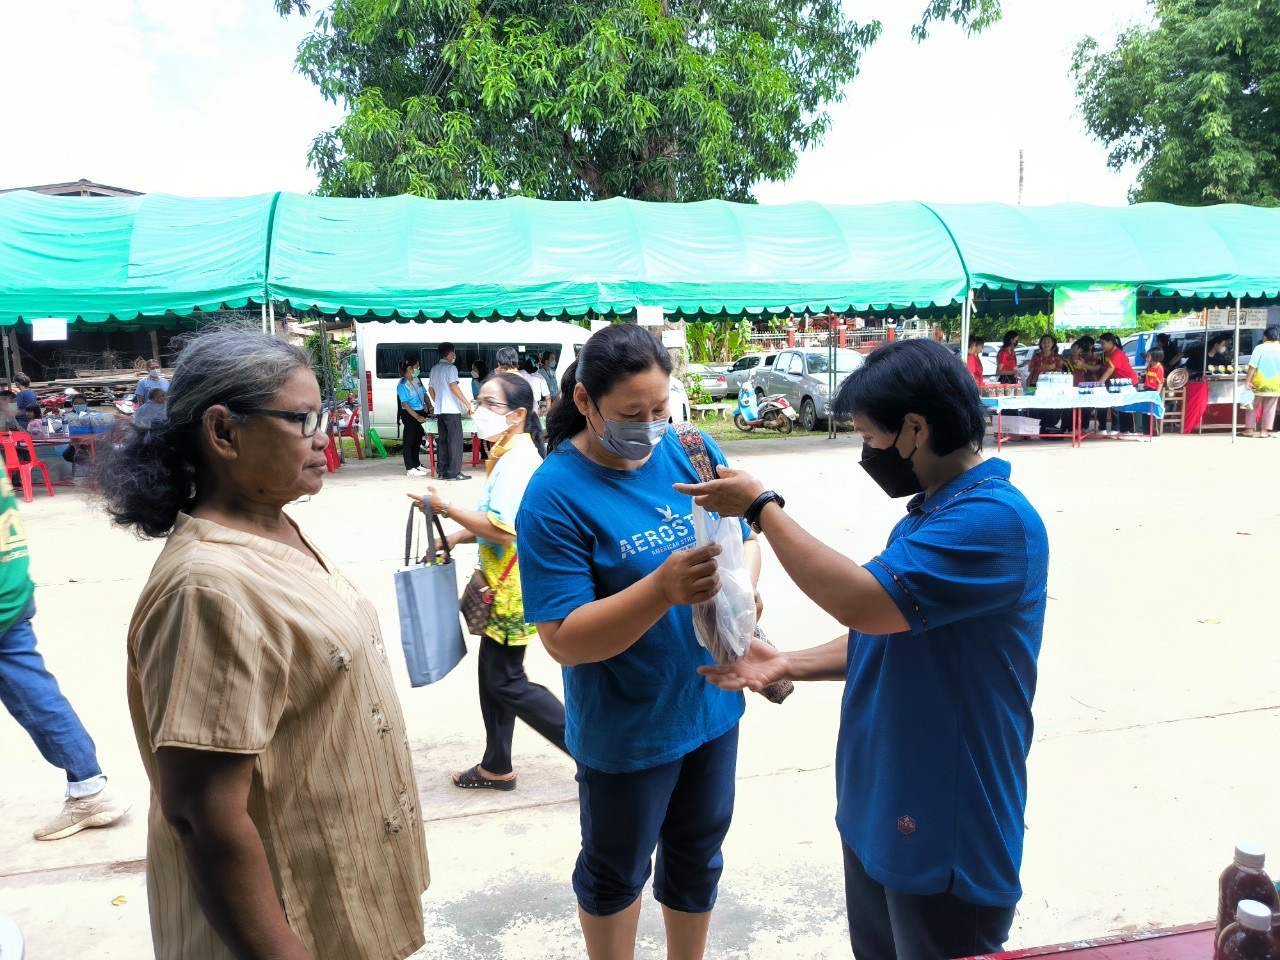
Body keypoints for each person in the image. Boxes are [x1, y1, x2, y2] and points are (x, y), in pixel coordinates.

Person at [676, 338, 1047, 960]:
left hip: (945, 822)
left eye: (872, 439)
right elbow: (890, 628)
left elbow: (861, 601)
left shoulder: (994, 522)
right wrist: (788, 662)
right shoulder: (932, 512)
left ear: (916, 429)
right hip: (883, 804)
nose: (868, 454)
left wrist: (762, 509)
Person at [95, 327, 429, 960]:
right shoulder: (207, 587)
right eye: (304, 420)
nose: (324, 437)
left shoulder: (272, 526)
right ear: (223, 432)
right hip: (281, 926)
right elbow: (204, 816)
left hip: (335, 891)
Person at [517, 323, 761, 960]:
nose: (650, 427)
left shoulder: (691, 447)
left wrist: (743, 593)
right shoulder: (554, 496)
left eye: (659, 408)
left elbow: (743, 536)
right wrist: (660, 590)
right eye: (631, 414)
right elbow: (564, 640)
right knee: (615, 872)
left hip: (710, 705)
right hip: (629, 729)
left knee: (698, 856)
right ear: (584, 400)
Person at [413, 372, 568, 792]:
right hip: (500, 583)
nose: (478, 410)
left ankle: (591, 754)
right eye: (478, 401)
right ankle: (496, 764)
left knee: (505, 680)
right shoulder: (506, 453)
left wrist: (447, 509)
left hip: (511, 589)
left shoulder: (518, 462)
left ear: (517, 415)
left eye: (488, 404)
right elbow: (493, 520)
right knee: (493, 676)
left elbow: (503, 529)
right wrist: (455, 537)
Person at [0, 472, 130, 841]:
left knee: (33, 694)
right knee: (35, 692)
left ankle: (90, 790)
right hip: (12, 588)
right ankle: (88, 786)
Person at [427, 342, 473, 482]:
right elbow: (453, 386)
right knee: (454, 442)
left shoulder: (434, 369)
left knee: (443, 441)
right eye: (454, 353)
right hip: (452, 410)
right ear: (451, 353)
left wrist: (437, 402)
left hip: (440, 411)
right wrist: (467, 403)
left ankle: (442, 471)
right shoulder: (451, 368)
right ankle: (454, 472)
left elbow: (430, 389)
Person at [1098, 333, 1139, 435]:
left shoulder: (1116, 354)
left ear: (1110, 343)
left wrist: (1098, 384)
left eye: (1103, 343)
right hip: (1119, 383)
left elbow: (1109, 371)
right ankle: (1122, 430)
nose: (1101, 346)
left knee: (1127, 407)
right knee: (1119, 407)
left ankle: (1130, 431)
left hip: (1129, 383)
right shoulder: (1108, 353)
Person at [1025, 334, 1067, 434]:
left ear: (1053, 344)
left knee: (1050, 405)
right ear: (1040, 344)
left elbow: (1059, 371)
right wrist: (1045, 367)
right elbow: (1030, 369)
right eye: (1044, 342)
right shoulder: (1036, 356)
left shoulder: (1058, 357)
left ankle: (1048, 426)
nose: (1046, 344)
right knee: (1034, 405)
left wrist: (1046, 367)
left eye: (1048, 342)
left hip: (1052, 386)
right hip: (1034, 383)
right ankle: (1035, 427)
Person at [1244, 325, 1280, 438]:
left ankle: (1249, 430)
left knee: (1251, 405)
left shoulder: (1259, 348)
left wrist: (1247, 381)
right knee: (1270, 408)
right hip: (1275, 384)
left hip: (1258, 383)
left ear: (1265, 337)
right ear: (1277, 337)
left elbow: (1252, 366)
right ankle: (1264, 432)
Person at [397, 357, 430, 477]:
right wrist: (417, 417)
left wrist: (430, 407)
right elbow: (405, 404)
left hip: (420, 411)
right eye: (417, 367)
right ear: (409, 368)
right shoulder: (402, 385)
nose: (418, 369)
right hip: (410, 414)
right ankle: (410, 468)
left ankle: (417, 464)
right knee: (409, 441)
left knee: (417, 440)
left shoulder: (416, 379)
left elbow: (424, 394)